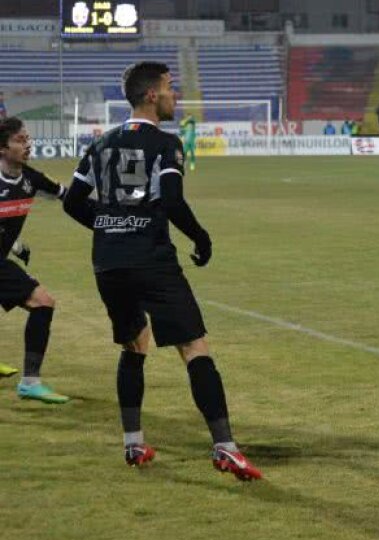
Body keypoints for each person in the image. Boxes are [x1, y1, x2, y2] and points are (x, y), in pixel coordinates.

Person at [63, 62, 262, 479]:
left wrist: (108, 224)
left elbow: (72, 201)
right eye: (170, 88)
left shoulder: (101, 145)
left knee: (134, 344)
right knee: (194, 347)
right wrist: (201, 237)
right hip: (151, 259)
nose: (175, 95)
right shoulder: (164, 144)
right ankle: (225, 447)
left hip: (108, 261)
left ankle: (133, 444)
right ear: (152, 95)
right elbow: (171, 202)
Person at [0, 117, 73, 403]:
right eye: (20, 140)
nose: (28, 145)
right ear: (2, 149)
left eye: (28, 139)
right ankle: (30, 382)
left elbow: (67, 195)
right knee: (42, 302)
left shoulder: (31, 179)